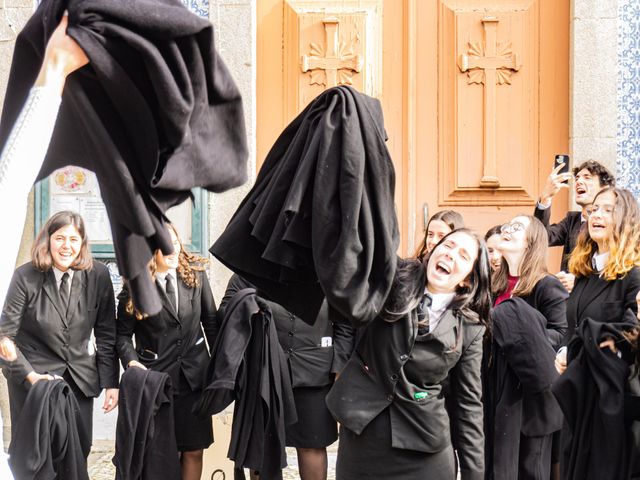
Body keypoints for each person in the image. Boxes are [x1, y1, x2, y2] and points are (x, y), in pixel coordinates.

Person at [326, 229, 492, 480]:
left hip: (424, 447)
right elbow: (358, 249)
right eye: (448, 245)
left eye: (463, 255)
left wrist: (474, 474)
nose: (450, 254)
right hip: (364, 436)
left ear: (467, 280)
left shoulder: (470, 329)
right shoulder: (394, 279)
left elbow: (468, 405)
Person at [0, 210, 119, 456]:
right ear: (48, 240)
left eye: (74, 239)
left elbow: (107, 334)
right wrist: (29, 376)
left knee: (77, 453)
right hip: (34, 381)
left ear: (82, 243)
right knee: (35, 457)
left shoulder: (99, 275)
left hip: (79, 381)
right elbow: (5, 337)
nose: (67, 246)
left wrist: (111, 383)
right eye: (60, 238)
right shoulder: (25, 276)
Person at [219, 274, 355, 480]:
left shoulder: (327, 267)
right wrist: (247, 304)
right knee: (262, 447)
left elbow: (345, 323)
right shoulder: (248, 268)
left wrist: (339, 367)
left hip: (316, 373)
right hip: (264, 372)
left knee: (312, 444)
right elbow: (225, 314)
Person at [116, 224, 218, 480]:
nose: (172, 250)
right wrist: (131, 362)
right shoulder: (135, 285)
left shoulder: (196, 272)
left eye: (175, 241)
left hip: (195, 377)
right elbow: (122, 335)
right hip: (157, 381)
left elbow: (211, 321)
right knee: (162, 452)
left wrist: (221, 366)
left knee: (194, 450)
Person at [534, 160, 615, 291]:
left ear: (604, 188)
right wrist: (545, 197)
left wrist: (578, 281)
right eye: (577, 178)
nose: (578, 181)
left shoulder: (614, 223)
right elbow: (541, 237)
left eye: (587, 177)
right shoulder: (572, 220)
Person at [493, 215, 568, 349]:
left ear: (530, 243)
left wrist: (518, 334)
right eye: (507, 226)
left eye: (516, 227)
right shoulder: (492, 283)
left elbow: (561, 334)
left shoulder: (547, 285)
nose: (506, 230)